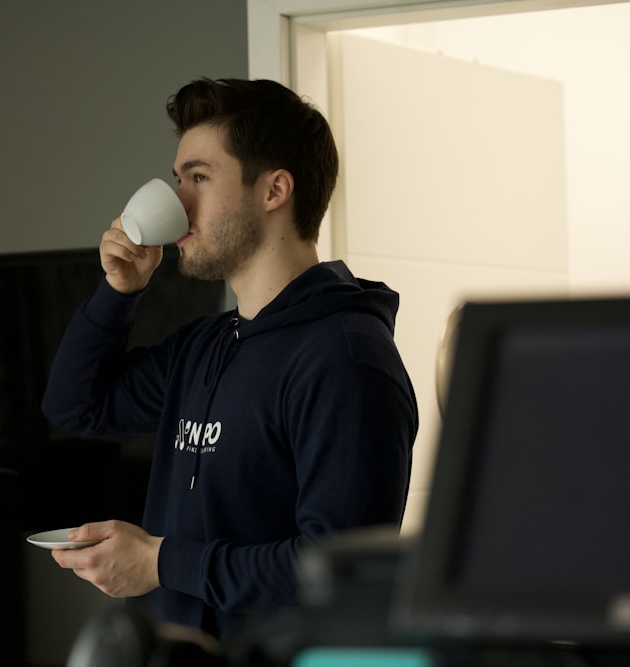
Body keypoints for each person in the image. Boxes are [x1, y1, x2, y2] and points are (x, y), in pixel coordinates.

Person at [41, 77, 418, 640]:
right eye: (178, 180)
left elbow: (341, 575)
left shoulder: (346, 362)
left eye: (198, 177)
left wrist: (160, 563)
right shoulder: (206, 346)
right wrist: (118, 291)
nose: (177, 202)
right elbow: (76, 406)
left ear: (274, 191)